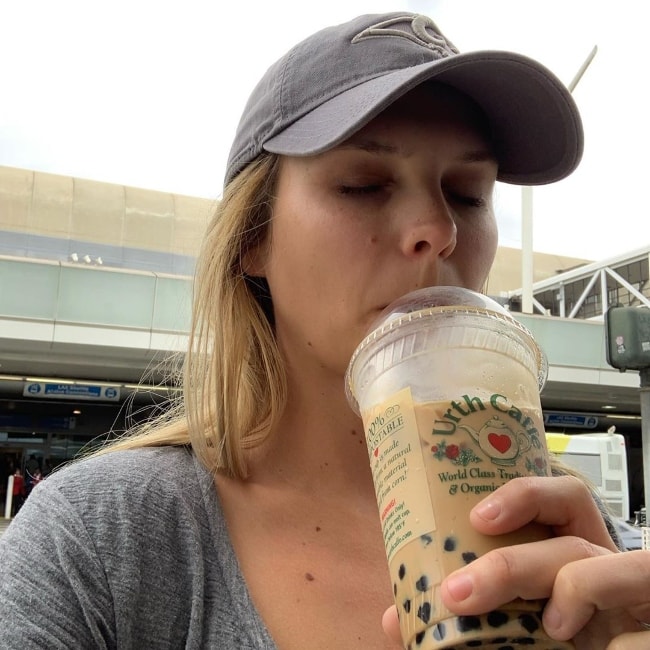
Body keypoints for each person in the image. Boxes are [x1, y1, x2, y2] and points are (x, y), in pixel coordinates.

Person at [0, 10, 647, 649]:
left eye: (469, 192)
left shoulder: (609, 565)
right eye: (364, 184)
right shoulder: (97, 543)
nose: (438, 229)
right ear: (253, 238)